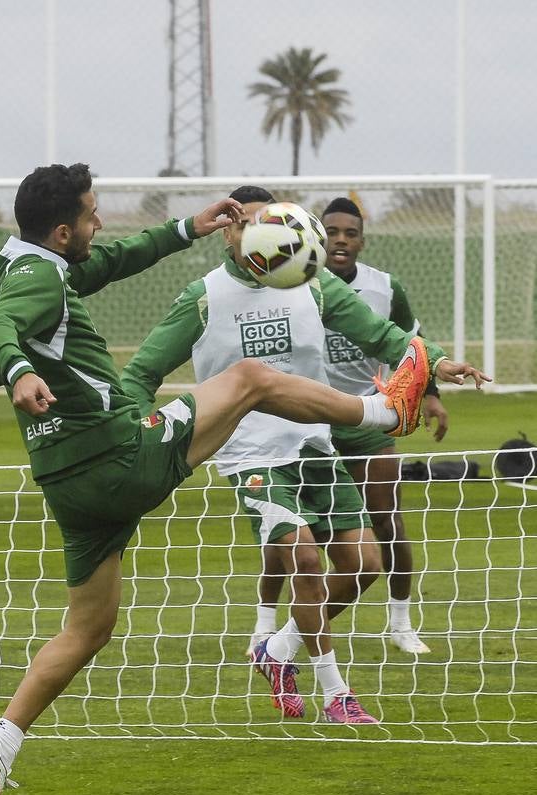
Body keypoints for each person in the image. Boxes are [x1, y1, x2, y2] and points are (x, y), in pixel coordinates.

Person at [0, 164, 486, 795]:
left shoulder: (25, 263)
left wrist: (185, 226)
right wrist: (15, 371)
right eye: (92, 215)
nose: (100, 224)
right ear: (62, 230)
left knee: (89, 627)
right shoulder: (48, 280)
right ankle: (383, 415)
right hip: (120, 456)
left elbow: (113, 260)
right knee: (249, 379)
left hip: (70, 482)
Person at [121, 184, 488, 730]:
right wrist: (133, 434)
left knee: (365, 565)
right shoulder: (204, 297)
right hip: (250, 457)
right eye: (243, 223)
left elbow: (384, 336)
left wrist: (438, 364)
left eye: (268, 221)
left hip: (315, 446)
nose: (257, 233)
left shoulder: (311, 286)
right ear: (227, 230)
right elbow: (139, 376)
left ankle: (277, 650)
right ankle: (337, 695)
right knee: (306, 561)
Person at [321, 196, 448, 654]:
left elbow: (411, 347)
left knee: (388, 521)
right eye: (331, 231)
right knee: (291, 531)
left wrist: (430, 395)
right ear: (318, 235)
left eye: (349, 233)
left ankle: (400, 622)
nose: (340, 240)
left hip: (369, 418)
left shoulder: (384, 288)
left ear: (361, 240)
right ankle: (267, 623)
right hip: (310, 422)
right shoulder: (294, 283)